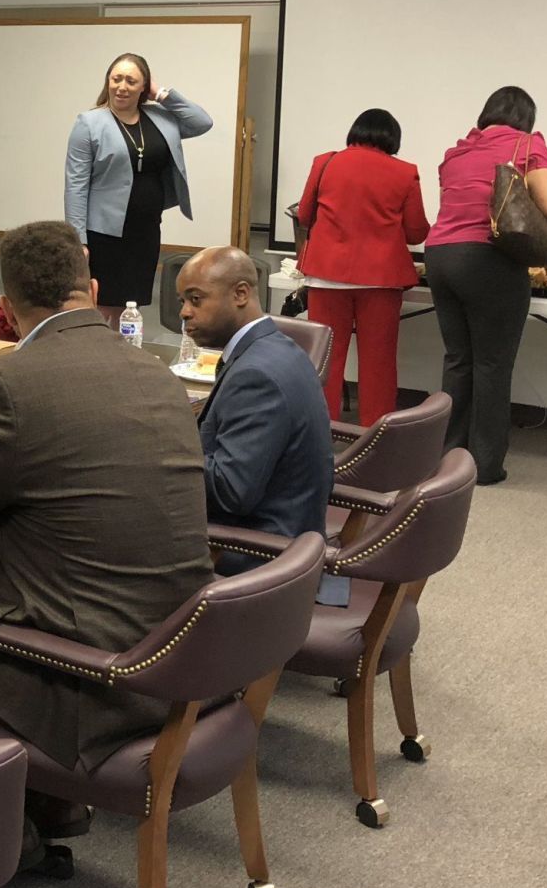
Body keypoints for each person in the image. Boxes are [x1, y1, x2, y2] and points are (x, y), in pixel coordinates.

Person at [0, 221, 213, 866]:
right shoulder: (158, 373)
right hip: (179, 644)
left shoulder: (10, 386)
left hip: (89, 675)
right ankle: (34, 802)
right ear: (93, 287)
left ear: (9, 301)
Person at [424, 85, 547, 486]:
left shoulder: (455, 153)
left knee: (458, 360)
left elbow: (454, 207)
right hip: (488, 260)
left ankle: (448, 462)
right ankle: (485, 466)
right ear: (526, 119)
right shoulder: (529, 145)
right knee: (491, 364)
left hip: (439, 257)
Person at [177, 247, 333, 557]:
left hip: (258, 556)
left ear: (240, 294)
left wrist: (163, 452)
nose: (184, 312)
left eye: (196, 300)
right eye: (182, 301)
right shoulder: (276, 347)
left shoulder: (256, 376)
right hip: (287, 531)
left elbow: (230, 492)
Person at [295, 108, 431, 425]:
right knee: (378, 362)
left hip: (326, 276)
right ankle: (375, 434)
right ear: (392, 139)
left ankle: (319, 431)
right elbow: (416, 232)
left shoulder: (324, 162)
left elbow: (304, 215)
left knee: (325, 358)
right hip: (380, 279)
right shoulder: (405, 172)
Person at [65, 51, 213, 325]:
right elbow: (75, 183)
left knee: (132, 306)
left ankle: (125, 358)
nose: (121, 87)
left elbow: (202, 122)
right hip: (103, 232)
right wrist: (78, 239)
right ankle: (99, 361)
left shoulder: (160, 117)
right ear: (107, 81)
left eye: (131, 81)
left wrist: (162, 94)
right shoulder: (89, 123)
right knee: (104, 306)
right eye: (116, 78)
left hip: (145, 228)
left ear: (143, 87)